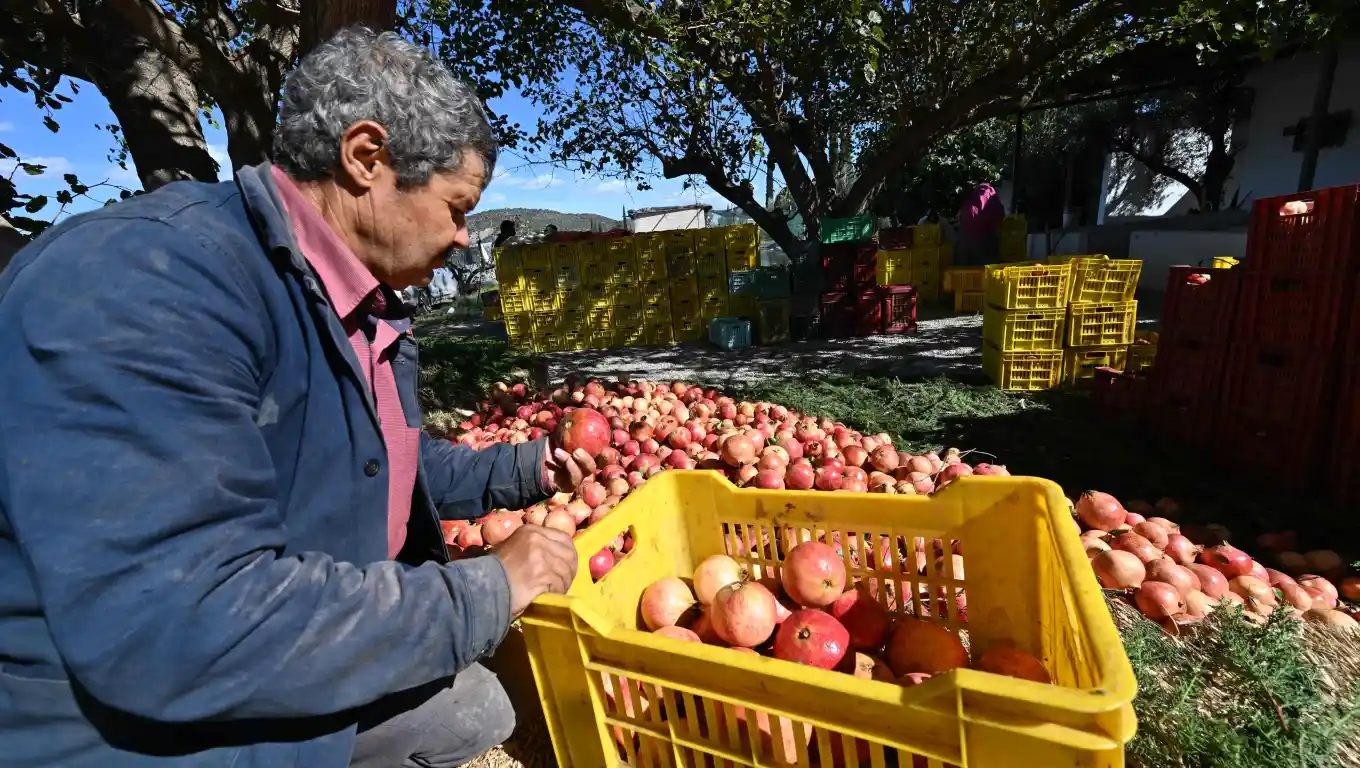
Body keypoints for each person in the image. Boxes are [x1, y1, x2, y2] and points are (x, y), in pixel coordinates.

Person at [0, 27, 592, 768]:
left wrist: (530, 468)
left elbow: (383, 465)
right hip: (127, 725)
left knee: (471, 710)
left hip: (265, 644)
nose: (465, 238)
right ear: (366, 159)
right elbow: (183, 622)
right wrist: (481, 593)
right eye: (455, 206)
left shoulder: (365, 306)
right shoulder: (145, 286)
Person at [955, 182, 1005, 266]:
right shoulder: (993, 200)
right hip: (987, 246)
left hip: (967, 249)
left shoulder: (968, 206)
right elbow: (1001, 216)